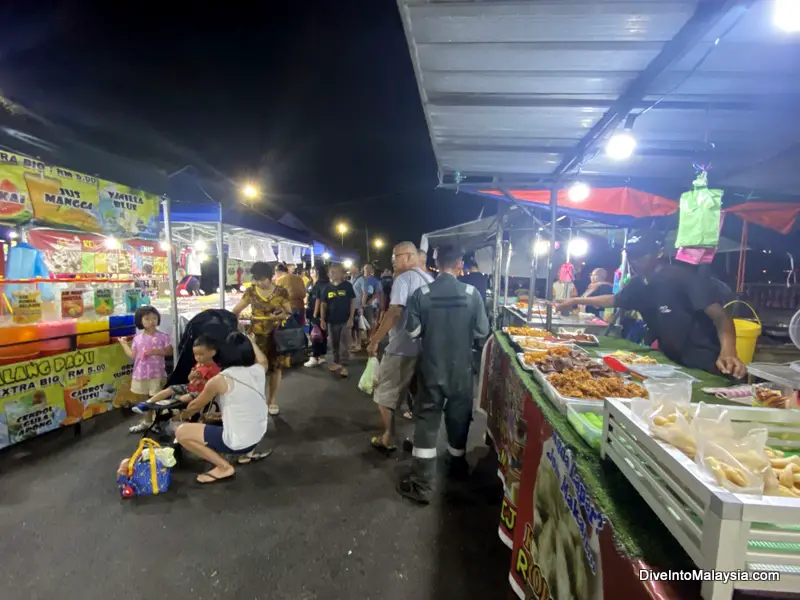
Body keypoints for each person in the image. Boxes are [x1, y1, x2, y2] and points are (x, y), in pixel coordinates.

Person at [554, 230, 746, 378]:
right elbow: (614, 299)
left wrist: (728, 351)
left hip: (705, 361)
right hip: (672, 361)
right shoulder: (639, 284)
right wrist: (575, 300)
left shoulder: (682, 277)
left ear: (659, 252)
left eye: (641, 255)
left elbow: (721, 317)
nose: (635, 261)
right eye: (631, 255)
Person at [397, 246, 490, 503]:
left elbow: (413, 332)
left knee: (427, 421)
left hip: (431, 368)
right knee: (459, 417)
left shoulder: (421, 294)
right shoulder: (473, 294)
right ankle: (457, 467)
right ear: (460, 262)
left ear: (435, 262)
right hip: (461, 370)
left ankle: (422, 483)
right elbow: (483, 333)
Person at [175, 332, 270, 484]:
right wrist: (248, 339)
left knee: (181, 432)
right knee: (220, 416)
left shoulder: (220, 380)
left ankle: (224, 467)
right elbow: (262, 358)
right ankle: (246, 453)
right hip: (258, 435)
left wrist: (179, 417)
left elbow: (194, 406)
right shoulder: (259, 369)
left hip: (238, 442)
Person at [367, 242, 433, 452]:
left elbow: (395, 311)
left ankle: (389, 438)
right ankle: (417, 439)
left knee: (385, 393)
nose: (393, 262)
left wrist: (375, 339)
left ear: (407, 257)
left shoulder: (404, 279)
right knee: (417, 396)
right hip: (424, 349)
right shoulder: (429, 279)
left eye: (395, 257)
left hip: (402, 348)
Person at [232, 262, 292, 416]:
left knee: (275, 368)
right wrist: (239, 328)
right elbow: (236, 311)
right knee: (255, 369)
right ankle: (256, 399)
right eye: (257, 279)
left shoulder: (281, 292)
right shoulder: (251, 292)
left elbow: (288, 313)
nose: (260, 282)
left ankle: (272, 400)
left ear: (271, 277)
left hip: (276, 335)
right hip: (256, 337)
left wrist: (278, 316)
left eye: (263, 279)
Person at [119, 306, 173, 433]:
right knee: (144, 400)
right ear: (140, 321)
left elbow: (170, 351)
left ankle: (156, 421)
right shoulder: (137, 338)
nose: (151, 321)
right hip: (140, 374)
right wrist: (123, 344)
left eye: (154, 318)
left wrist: (157, 351)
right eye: (147, 318)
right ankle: (147, 421)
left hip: (157, 374)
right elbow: (133, 355)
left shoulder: (163, 336)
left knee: (156, 399)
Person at [133, 335, 220, 412]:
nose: (197, 357)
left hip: (201, 392)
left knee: (183, 398)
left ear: (212, 353)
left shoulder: (214, 369)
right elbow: (190, 379)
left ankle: (169, 404)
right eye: (195, 354)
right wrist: (191, 376)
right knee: (170, 388)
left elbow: (213, 387)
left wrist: (201, 379)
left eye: (201, 354)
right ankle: (148, 403)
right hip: (189, 387)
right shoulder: (199, 364)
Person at [320, 263, 356, 378]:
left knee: (344, 344)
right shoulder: (326, 287)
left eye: (335, 272)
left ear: (341, 274)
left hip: (345, 320)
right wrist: (322, 319)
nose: (332, 274)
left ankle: (344, 366)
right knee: (334, 343)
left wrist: (351, 318)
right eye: (331, 272)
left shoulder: (347, 286)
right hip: (331, 321)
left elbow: (353, 302)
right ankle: (336, 362)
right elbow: (323, 304)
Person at [305, 264, 329, 367]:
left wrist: (315, 315)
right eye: (311, 270)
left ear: (319, 271)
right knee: (316, 333)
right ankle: (320, 355)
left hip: (318, 312)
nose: (311, 272)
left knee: (317, 334)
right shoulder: (310, 283)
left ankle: (316, 356)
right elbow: (307, 296)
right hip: (310, 310)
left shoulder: (322, 284)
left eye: (314, 270)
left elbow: (319, 300)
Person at [350, 264, 370, 352]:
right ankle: (353, 343)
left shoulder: (363, 279)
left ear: (357, 268)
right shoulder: (351, 278)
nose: (351, 269)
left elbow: (365, 293)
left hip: (358, 306)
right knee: (352, 326)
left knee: (358, 326)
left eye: (352, 267)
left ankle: (358, 344)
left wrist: (362, 305)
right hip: (351, 306)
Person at [362, 264, 381, 332]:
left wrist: (371, 299)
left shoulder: (375, 281)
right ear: (364, 269)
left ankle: (369, 338)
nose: (368, 270)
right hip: (359, 303)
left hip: (368, 303)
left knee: (369, 321)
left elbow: (377, 292)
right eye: (366, 268)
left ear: (372, 270)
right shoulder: (360, 279)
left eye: (370, 268)